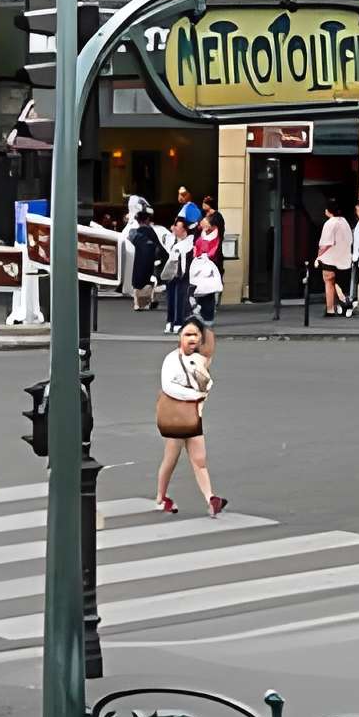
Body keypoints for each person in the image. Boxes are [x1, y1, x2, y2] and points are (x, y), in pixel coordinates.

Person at [153, 321, 223, 515]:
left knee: (199, 460)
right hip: (176, 417)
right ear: (180, 337)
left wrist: (206, 325)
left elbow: (207, 374)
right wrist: (194, 395)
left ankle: (211, 499)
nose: (192, 339)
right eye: (187, 334)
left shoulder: (199, 360)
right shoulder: (171, 360)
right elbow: (168, 387)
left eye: (195, 335)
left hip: (193, 416)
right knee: (170, 460)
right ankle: (161, 497)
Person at [314, 203, 354, 318]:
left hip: (330, 258)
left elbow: (325, 244)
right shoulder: (344, 222)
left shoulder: (330, 223)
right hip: (345, 258)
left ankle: (331, 308)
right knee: (337, 281)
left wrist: (318, 256)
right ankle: (343, 300)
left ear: (328, 211)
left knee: (328, 281)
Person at [161, 209, 197, 332]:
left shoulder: (190, 242)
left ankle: (178, 322)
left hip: (183, 275)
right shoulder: (173, 239)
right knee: (171, 298)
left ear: (185, 229)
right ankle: (170, 321)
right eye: (175, 225)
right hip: (172, 273)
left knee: (181, 298)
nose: (175, 228)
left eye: (178, 226)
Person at [189, 212, 225, 325]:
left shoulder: (217, 236)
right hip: (200, 264)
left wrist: (206, 255)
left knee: (208, 292)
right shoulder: (201, 233)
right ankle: (200, 314)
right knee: (199, 290)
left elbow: (214, 251)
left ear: (214, 226)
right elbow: (196, 245)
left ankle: (208, 317)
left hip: (210, 265)